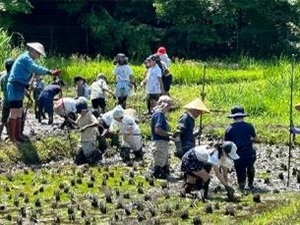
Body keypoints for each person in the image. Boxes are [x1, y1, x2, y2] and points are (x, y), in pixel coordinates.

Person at [7, 42, 60, 143]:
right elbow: (36, 68)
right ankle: (12, 138)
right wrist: (50, 72)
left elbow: (34, 70)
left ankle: (18, 135)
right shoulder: (26, 58)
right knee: (14, 112)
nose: (39, 56)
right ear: (34, 51)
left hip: (20, 86)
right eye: (38, 54)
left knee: (18, 112)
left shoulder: (28, 59)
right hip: (14, 85)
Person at [224, 106, 257, 191]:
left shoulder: (229, 128)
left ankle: (241, 186)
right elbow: (255, 138)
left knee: (240, 170)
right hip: (249, 152)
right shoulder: (249, 126)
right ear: (243, 116)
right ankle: (251, 184)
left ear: (233, 117)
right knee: (250, 166)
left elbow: (227, 143)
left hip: (237, 153)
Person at [68, 99, 102, 165]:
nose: (79, 113)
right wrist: (68, 119)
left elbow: (96, 123)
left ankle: (98, 156)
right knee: (78, 157)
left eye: (80, 112)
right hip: (82, 139)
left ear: (84, 110)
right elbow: (76, 124)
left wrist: (86, 127)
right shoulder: (80, 116)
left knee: (90, 156)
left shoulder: (90, 116)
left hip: (89, 139)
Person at [150, 95, 173, 179]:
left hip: (161, 142)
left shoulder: (158, 114)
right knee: (159, 165)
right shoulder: (159, 114)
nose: (169, 108)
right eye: (169, 105)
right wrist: (169, 134)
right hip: (159, 143)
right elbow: (158, 130)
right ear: (164, 104)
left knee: (163, 162)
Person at [0, 58, 14, 139]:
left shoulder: (2, 77)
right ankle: (12, 136)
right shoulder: (13, 77)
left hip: (5, 100)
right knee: (14, 117)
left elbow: (2, 89)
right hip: (13, 101)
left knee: (3, 120)